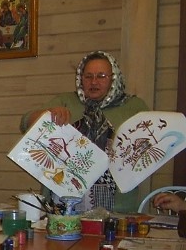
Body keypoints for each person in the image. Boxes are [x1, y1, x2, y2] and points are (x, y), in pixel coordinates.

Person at [20, 51, 149, 212]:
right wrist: (48, 113)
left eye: (101, 76)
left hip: (116, 202)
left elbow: (148, 147)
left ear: (114, 78)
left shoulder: (133, 107)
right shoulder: (66, 101)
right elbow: (25, 123)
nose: (94, 82)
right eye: (88, 76)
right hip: (63, 196)